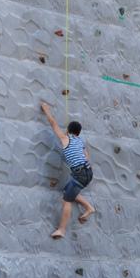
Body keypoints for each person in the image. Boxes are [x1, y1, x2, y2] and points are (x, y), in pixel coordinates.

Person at [40, 101, 94, 238]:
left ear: (68, 131)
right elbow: (87, 157)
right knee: (68, 190)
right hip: (88, 173)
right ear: (78, 132)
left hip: (79, 174)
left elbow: (53, 123)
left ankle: (62, 230)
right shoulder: (80, 141)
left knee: (66, 201)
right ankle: (89, 208)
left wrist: (46, 109)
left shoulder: (65, 139)